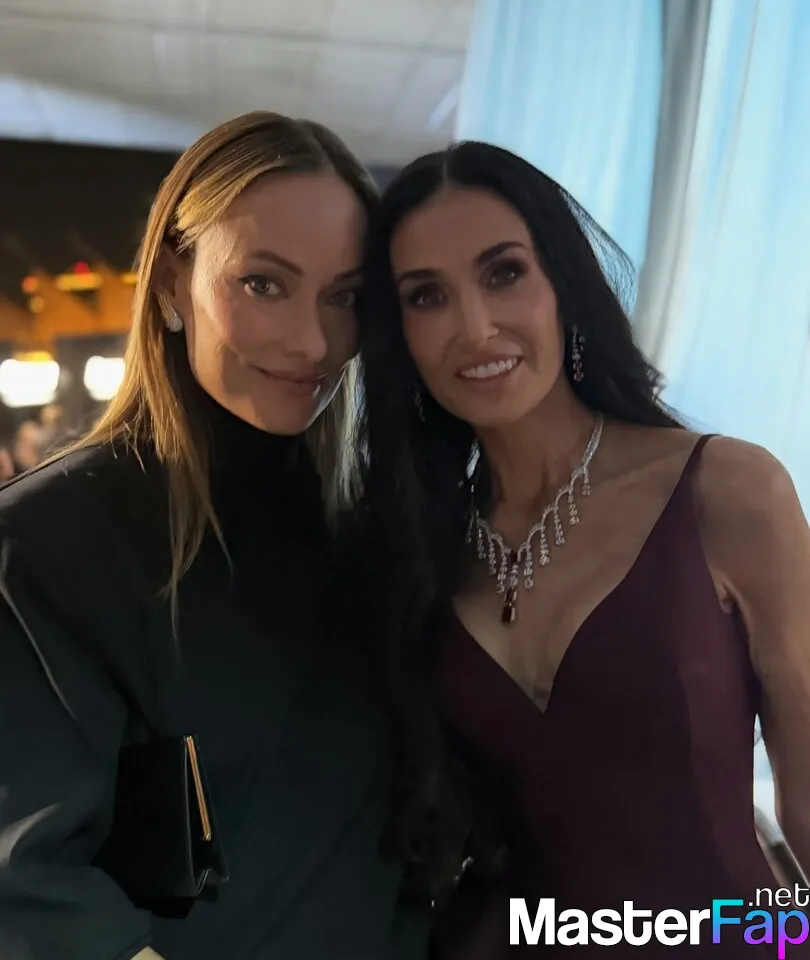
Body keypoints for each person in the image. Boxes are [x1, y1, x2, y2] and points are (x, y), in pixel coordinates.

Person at [356, 141, 810, 956]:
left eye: (504, 273)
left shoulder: (730, 493)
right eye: (427, 296)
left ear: (564, 284)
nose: (475, 327)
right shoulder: (414, 551)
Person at [0, 112, 427, 960]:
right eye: (263, 284)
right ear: (170, 281)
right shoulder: (48, 543)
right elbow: (31, 886)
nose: (312, 341)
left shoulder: (370, 530)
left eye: (345, 297)